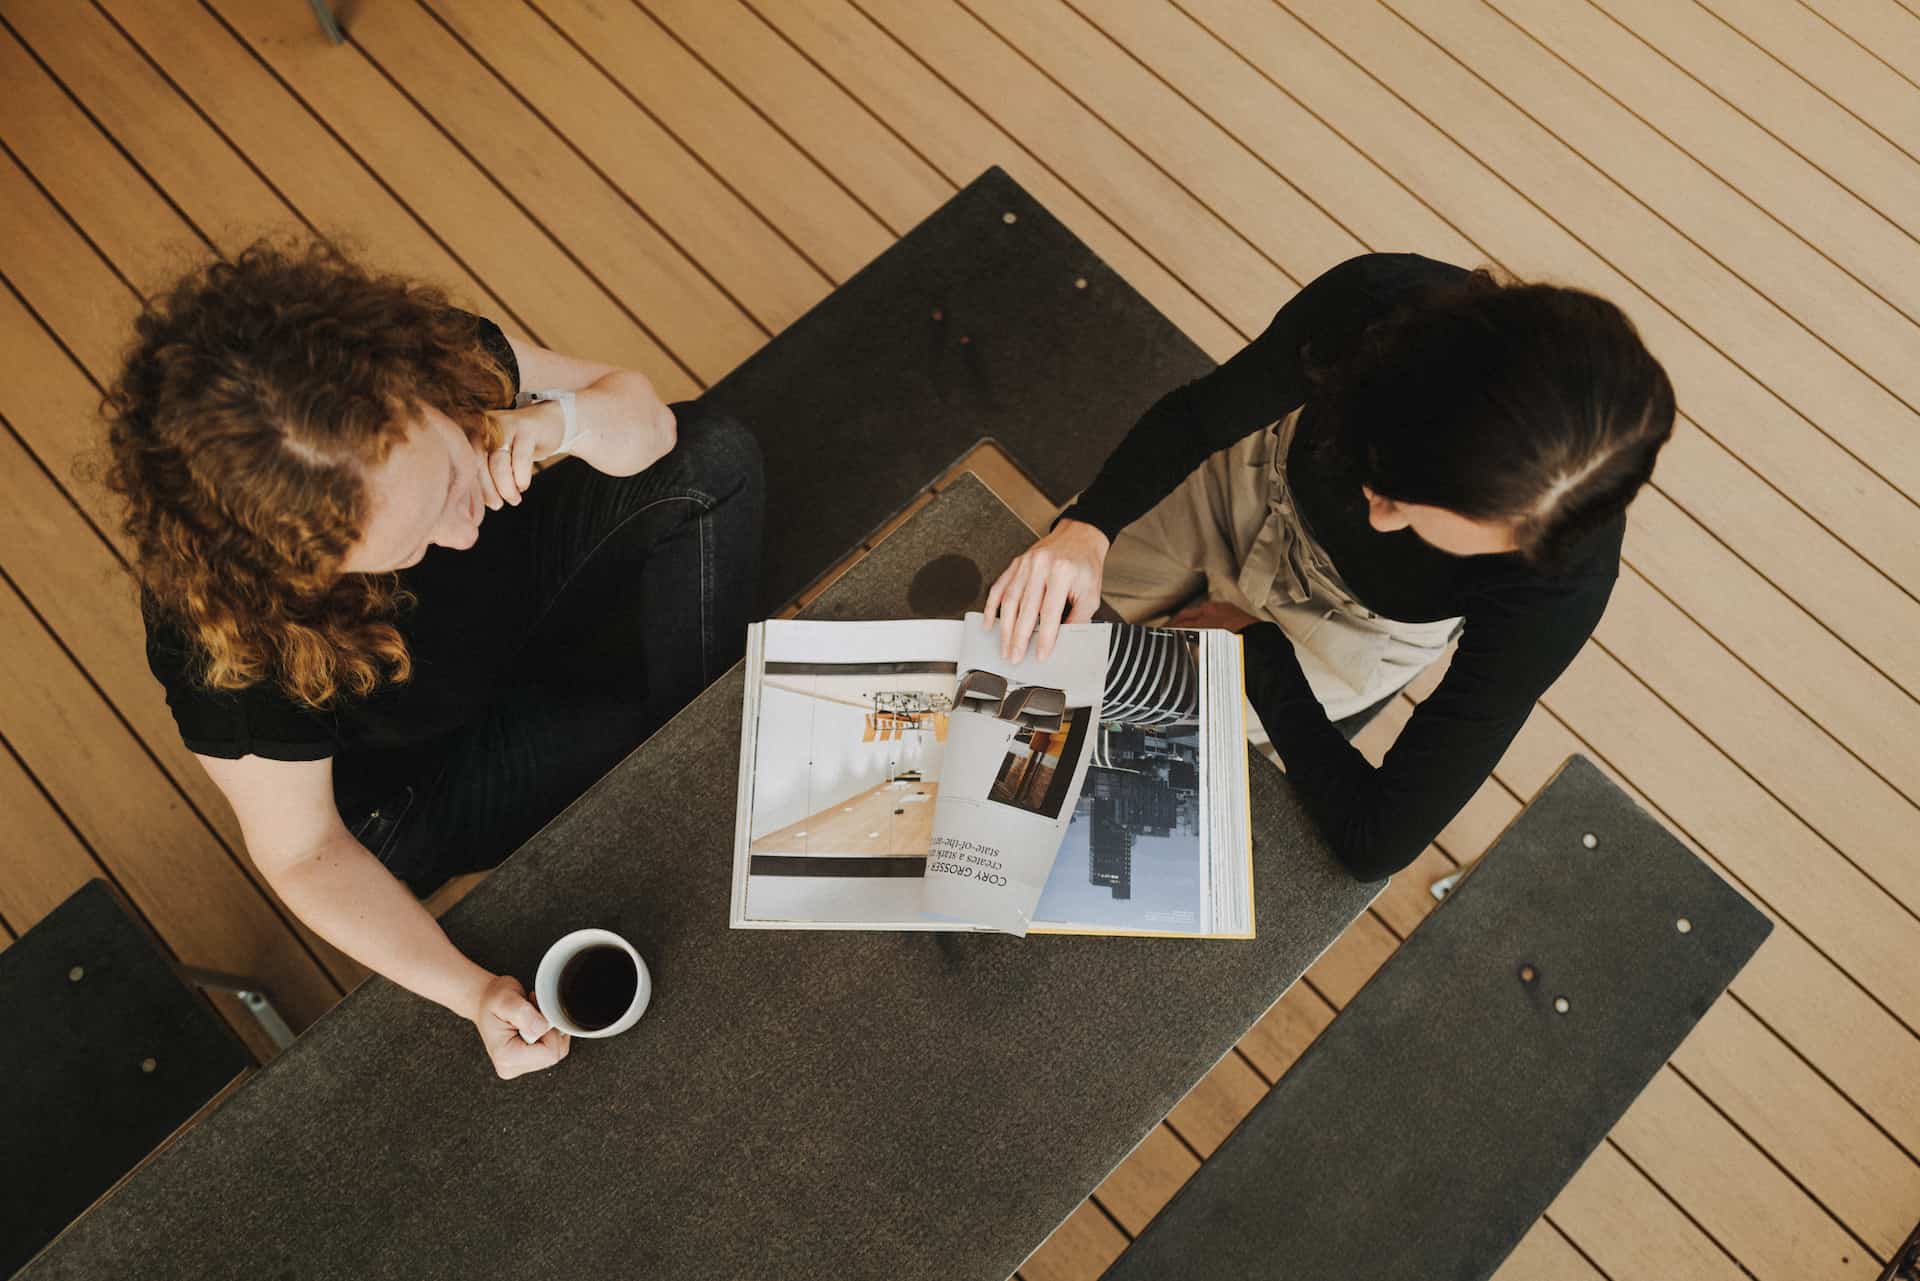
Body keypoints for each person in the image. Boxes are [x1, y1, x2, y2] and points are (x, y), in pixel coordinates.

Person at [106, 241, 764, 1078]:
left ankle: (704, 744)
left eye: (450, 474)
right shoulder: (223, 640)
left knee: (714, 455)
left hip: (493, 625)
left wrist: (558, 420)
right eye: (407, 543)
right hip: (417, 781)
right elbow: (305, 853)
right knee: (632, 731)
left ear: (406, 390)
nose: (459, 530)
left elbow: (651, 422)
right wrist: (473, 992)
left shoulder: (429, 353)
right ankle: (692, 748)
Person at [985, 253, 1674, 882]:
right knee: (1011, 646)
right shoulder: (1381, 305)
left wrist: (1257, 658)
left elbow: (1376, 839)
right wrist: (1088, 526)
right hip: (1253, 483)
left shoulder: (1558, 590)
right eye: (1382, 480)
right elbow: (1199, 418)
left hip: (1354, 627)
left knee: (1123, 764)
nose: (1375, 517)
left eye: (1408, 508)